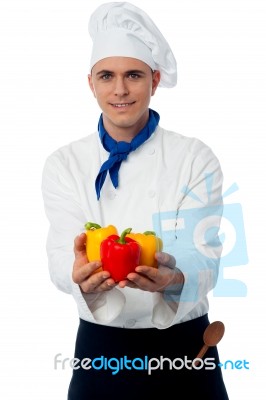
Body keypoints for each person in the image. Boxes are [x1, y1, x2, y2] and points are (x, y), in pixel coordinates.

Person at [42, 2, 229, 399]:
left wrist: (174, 277)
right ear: (91, 82)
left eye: (134, 75)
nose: (120, 90)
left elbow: (206, 256)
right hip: (101, 348)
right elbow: (60, 254)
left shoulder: (195, 157)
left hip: (185, 346)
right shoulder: (64, 164)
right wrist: (78, 276)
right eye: (107, 76)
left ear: (155, 80)